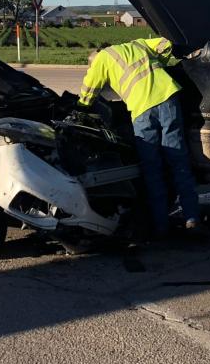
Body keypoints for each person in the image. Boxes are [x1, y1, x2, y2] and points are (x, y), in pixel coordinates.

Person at [78, 38, 199, 237]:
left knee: (153, 168)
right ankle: (192, 217)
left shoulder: (100, 59)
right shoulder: (137, 44)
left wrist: (80, 107)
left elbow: (89, 90)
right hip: (169, 96)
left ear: (95, 58)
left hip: (143, 109)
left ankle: (161, 226)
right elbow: (166, 44)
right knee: (178, 160)